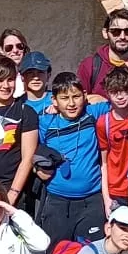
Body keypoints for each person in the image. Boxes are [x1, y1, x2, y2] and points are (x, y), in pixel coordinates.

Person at [34, 72, 111, 244]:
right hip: (57, 200)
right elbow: (30, 151)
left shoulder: (93, 113)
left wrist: (95, 97)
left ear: (84, 96)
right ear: (54, 100)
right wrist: (36, 168)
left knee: (92, 252)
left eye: (76, 97)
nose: (71, 103)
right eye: (64, 98)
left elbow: (121, 102)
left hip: (91, 200)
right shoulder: (46, 122)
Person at [95, 68, 128, 212]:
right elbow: (103, 163)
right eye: (114, 92)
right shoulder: (104, 122)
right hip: (116, 189)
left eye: (124, 91)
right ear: (107, 93)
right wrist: (106, 199)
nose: (120, 96)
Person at [76, 8, 128, 100]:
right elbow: (77, 100)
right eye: (116, 32)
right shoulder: (90, 65)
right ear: (105, 33)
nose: (122, 36)